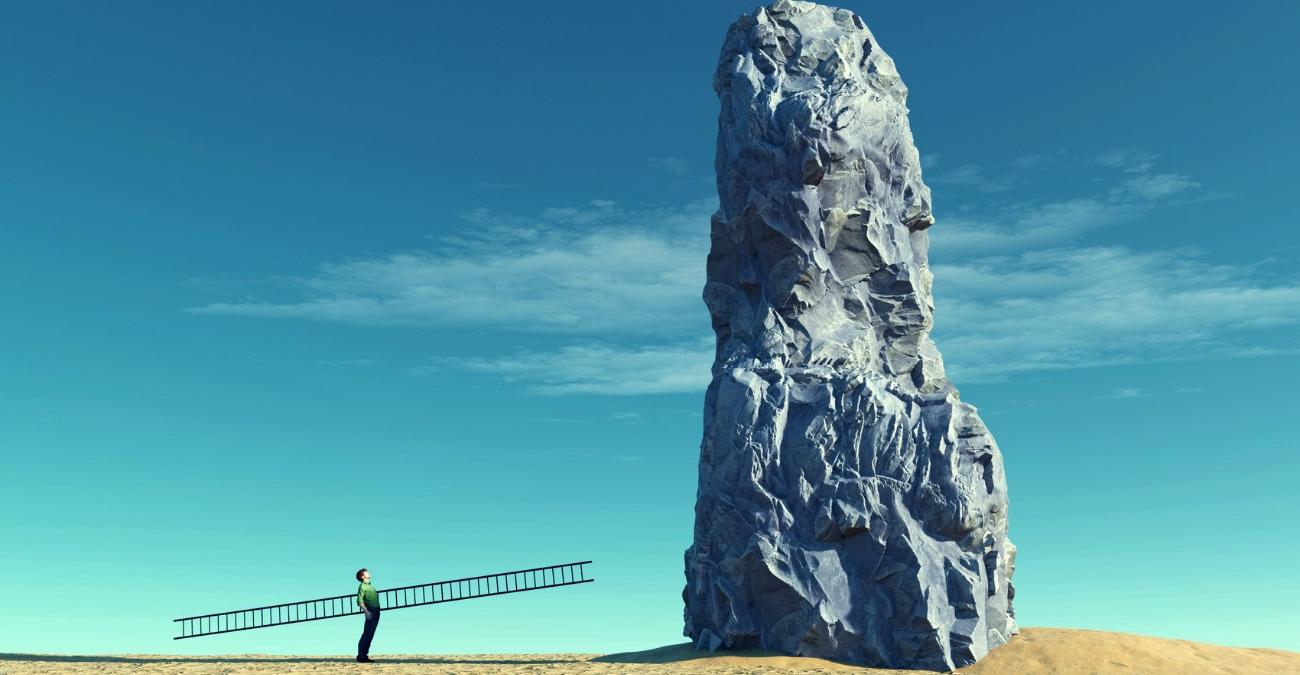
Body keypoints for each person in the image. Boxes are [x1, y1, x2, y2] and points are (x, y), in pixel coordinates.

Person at [355, 568, 380, 663]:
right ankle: (361, 655)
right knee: (367, 633)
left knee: (371, 633)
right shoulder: (362, 586)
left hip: (376, 611)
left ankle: (364, 655)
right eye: (366, 572)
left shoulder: (370, 586)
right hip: (370, 611)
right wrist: (366, 612)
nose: (368, 572)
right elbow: (360, 601)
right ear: (362, 576)